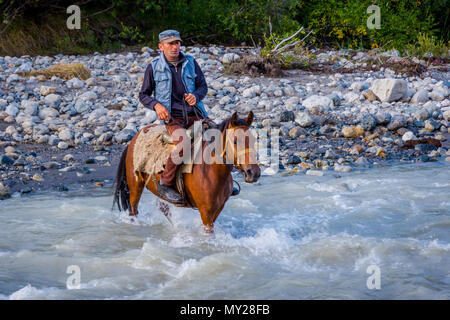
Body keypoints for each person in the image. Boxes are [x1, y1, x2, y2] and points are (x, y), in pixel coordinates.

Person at [139, 29, 208, 203]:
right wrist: (156, 105)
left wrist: (196, 96)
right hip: (173, 119)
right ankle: (165, 183)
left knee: (220, 134)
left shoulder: (191, 62)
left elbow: (203, 86)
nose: (175, 47)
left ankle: (222, 182)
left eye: (177, 43)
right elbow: (143, 95)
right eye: (170, 44)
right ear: (161, 46)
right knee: (184, 142)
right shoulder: (153, 67)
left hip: (195, 114)